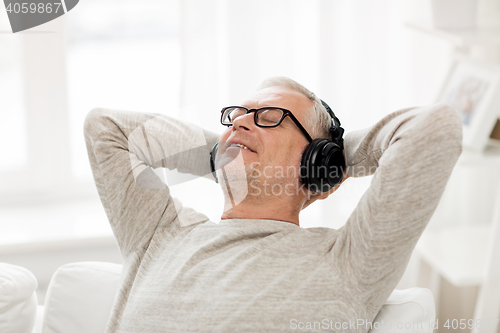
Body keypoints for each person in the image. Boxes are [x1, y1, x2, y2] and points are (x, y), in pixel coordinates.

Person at [84, 76, 462, 332]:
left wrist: (329, 162)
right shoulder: (157, 235)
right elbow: (105, 128)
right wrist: (225, 155)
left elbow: (435, 128)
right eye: (236, 116)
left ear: (317, 161)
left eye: (270, 118)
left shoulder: (348, 261)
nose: (241, 123)